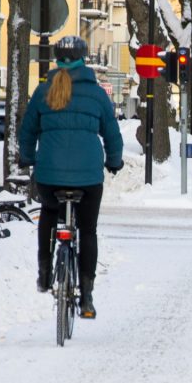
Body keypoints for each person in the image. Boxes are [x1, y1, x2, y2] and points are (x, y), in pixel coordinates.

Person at [19, 35, 123, 319]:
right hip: (88, 177)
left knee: (50, 215)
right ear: (84, 57)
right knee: (87, 230)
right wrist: (114, 161)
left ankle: (44, 272)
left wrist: (27, 157)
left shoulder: (43, 91)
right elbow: (112, 133)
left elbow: (27, 130)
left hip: (49, 175)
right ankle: (86, 297)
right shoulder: (97, 93)